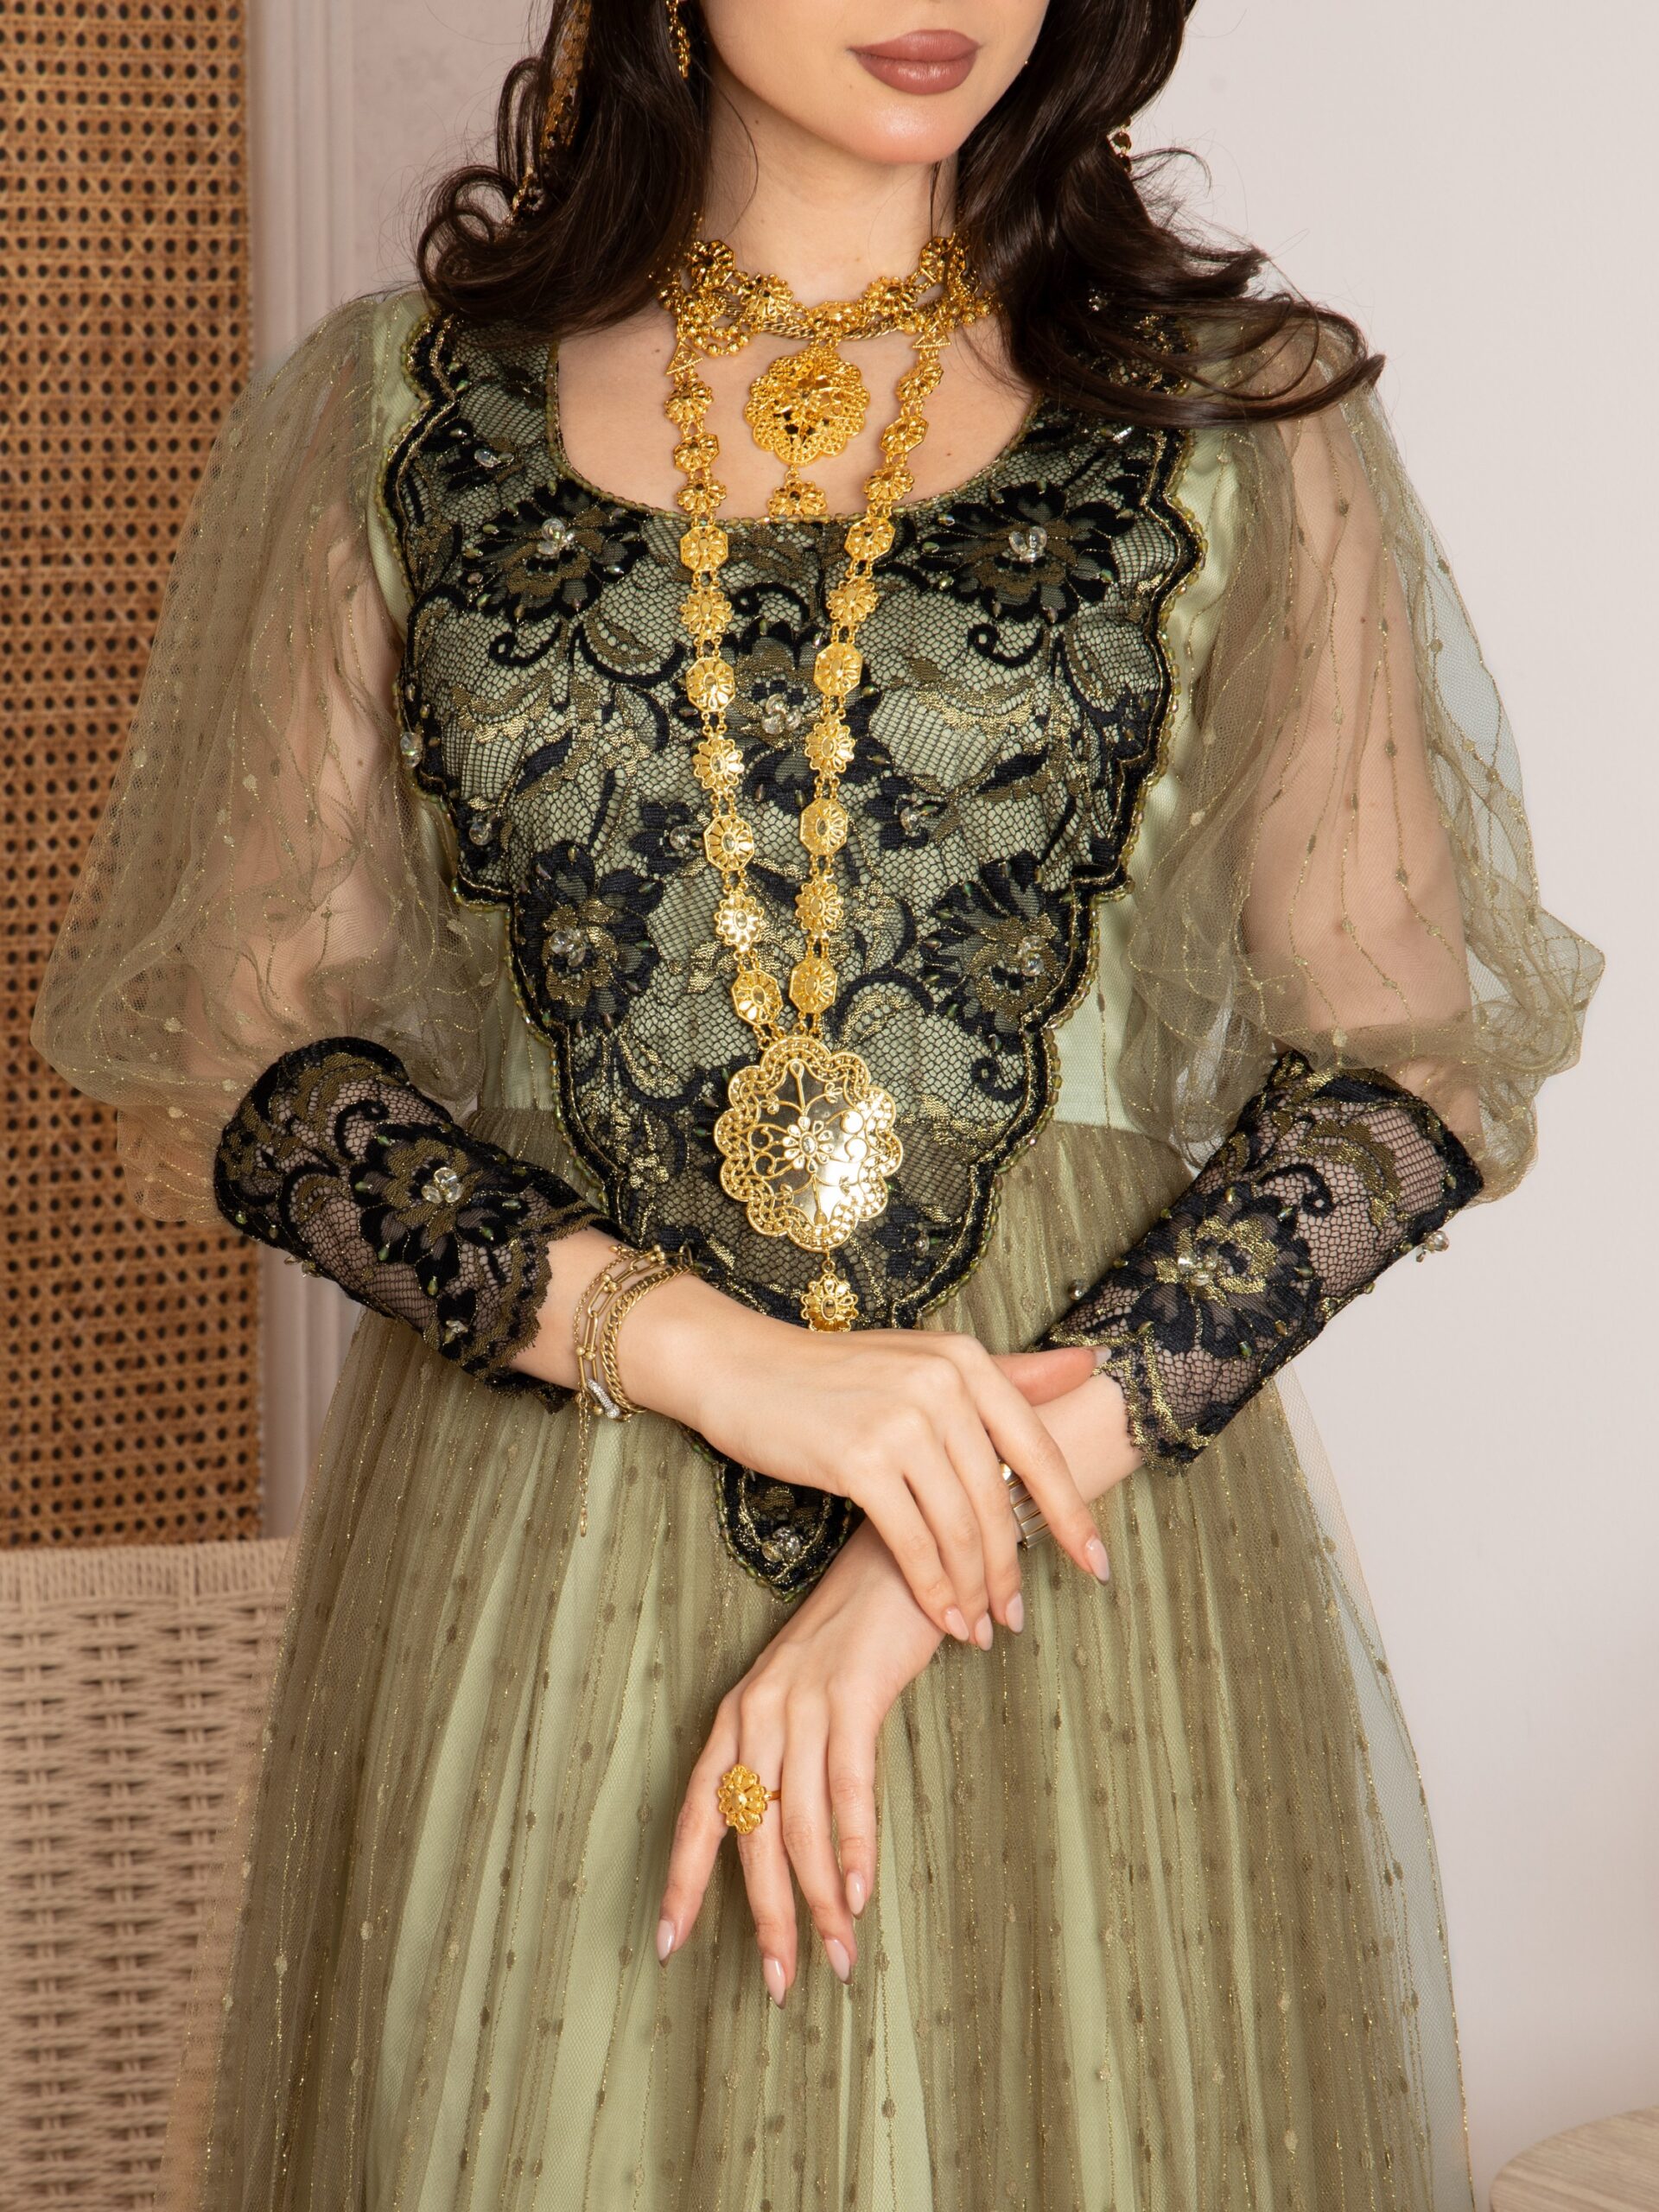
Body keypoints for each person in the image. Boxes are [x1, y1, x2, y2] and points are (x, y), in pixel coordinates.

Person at [30, 2, 1603, 2205]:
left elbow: (1396, 1078)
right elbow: (251, 1060)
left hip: (1072, 1542)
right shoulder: (398, 411)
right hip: (552, 1526)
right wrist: (700, 1348)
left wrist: (947, 1527)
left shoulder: (1239, 418)